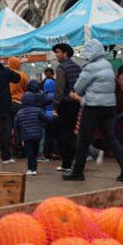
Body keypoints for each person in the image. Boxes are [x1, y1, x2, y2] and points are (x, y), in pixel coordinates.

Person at [63, 39, 123, 182]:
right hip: (110, 107)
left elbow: (78, 88)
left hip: (93, 107)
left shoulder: (90, 68)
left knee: (83, 139)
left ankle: (77, 172)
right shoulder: (108, 65)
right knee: (111, 138)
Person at [52, 43, 82, 173]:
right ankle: (73, 162)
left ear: (65, 53)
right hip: (76, 103)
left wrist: (55, 106)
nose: (56, 55)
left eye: (58, 52)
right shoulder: (77, 67)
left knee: (63, 135)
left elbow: (59, 90)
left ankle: (66, 164)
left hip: (65, 105)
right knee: (72, 134)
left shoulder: (61, 68)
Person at [15, 85, 50, 176]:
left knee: (29, 153)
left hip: (26, 136)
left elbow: (16, 125)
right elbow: (46, 119)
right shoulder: (38, 110)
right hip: (37, 135)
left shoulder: (20, 112)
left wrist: (19, 137)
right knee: (35, 152)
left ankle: (31, 168)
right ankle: (34, 168)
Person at [42, 68, 57, 160]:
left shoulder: (44, 96)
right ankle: (54, 152)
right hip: (55, 116)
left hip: (46, 117)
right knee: (54, 135)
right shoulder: (56, 95)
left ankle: (47, 153)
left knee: (47, 136)